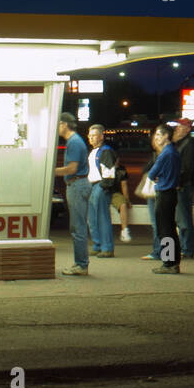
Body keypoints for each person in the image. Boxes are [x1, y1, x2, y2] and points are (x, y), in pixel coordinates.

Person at [55, 113, 91, 276]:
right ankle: (81, 263)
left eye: (58, 124)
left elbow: (72, 169)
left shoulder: (74, 142)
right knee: (78, 226)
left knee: (78, 227)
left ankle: (81, 264)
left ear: (64, 124)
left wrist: (51, 171)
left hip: (77, 184)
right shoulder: (75, 141)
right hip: (77, 184)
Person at [146, 122, 180, 274]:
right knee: (171, 229)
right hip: (172, 193)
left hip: (164, 193)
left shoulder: (165, 153)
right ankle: (174, 261)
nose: (156, 137)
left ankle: (168, 263)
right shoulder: (174, 151)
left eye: (159, 134)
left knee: (164, 229)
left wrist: (158, 177)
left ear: (166, 136)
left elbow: (152, 173)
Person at [86, 125, 120, 258]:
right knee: (93, 219)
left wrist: (104, 187)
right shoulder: (95, 151)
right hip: (93, 186)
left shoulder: (105, 151)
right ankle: (98, 245)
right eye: (90, 135)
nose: (91, 138)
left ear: (101, 136)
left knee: (101, 218)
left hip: (100, 186)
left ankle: (106, 247)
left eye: (94, 135)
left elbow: (109, 173)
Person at [171, 117, 194, 258]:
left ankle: (187, 249)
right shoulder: (182, 143)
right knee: (181, 218)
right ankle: (184, 248)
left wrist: (179, 183)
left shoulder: (188, 144)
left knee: (184, 218)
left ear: (188, 129)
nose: (177, 128)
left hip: (182, 186)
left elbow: (188, 168)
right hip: (182, 185)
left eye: (181, 126)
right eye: (177, 126)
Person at [139, 132, 161, 261]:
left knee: (160, 224)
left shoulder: (165, 154)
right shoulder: (161, 154)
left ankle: (163, 255)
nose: (155, 141)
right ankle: (167, 256)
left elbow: (151, 172)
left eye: (158, 137)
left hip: (161, 192)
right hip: (162, 192)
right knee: (162, 224)